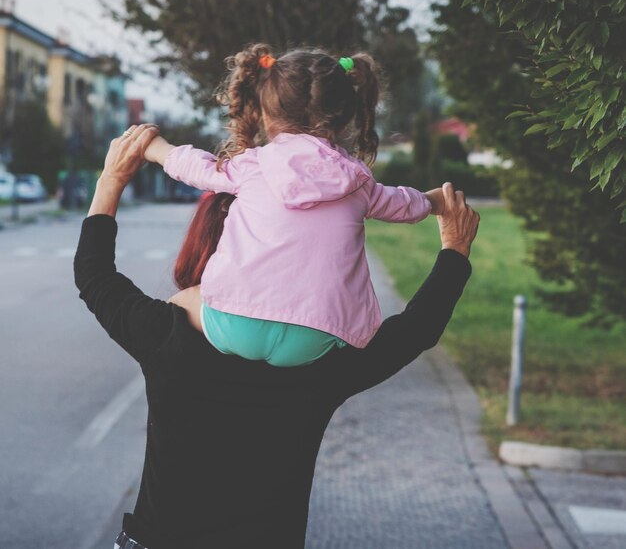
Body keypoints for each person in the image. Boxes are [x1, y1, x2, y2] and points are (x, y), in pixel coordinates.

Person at [75, 124, 479, 549]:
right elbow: (416, 330)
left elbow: (94, 276)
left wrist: (112, 180)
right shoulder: (323, 361)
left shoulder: (164, 336)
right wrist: (455, 248)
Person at [142, 45, 446, 366]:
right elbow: (403, 204)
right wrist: (432, 201)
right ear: (345, 120)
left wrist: (156, 148)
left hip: (233, 323)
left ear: (266, 112)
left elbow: (198, 167)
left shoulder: (252, 165)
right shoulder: (359, 182)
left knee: (184, 300)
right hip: (317, 336)